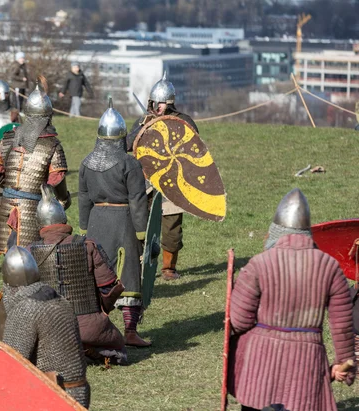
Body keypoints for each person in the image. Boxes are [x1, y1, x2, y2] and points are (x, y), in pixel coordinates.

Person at [227, 188, 355, 411]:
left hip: (260, 361)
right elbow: (342, 325)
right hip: (308, 360)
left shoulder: (259, 264)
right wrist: (344, 363)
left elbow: (238, 321)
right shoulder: (329, 266)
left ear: (276, 230)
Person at [28, 184, 127, 365]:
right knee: (116, 347)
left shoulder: (28, 253)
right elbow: (108, 286)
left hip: (47, 330)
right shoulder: (88, 245)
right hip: (91, 329)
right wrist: (104, 310)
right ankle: (88, 349)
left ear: (40, 223)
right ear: (63, 218)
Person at [79, 100, 150, 347]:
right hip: (124, 222)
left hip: (97, 224)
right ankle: (130, 332)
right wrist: (143, 232)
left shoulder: (87, 162)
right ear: (121, 135)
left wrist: (84, 229)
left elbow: (84, 198)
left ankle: (99, 330)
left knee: (99, 277)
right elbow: (138, 199)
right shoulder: (129, 163)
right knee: (129, 274)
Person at [126, 72, 199, 281]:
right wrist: (143, 128)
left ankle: (168, 267)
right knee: (141, 225)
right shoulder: (143, 120)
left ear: (170, 103)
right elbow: (127, 145)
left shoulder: (184, 121)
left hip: (172, 182)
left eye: (161, 104)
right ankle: (139, 264)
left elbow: (194, 150)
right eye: (154, 103)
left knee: (171, 228)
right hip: (146, 181)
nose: (157, 107)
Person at [0, 80, 70, 255]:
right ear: (48, 115)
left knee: (12, 249)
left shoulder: (9, 138)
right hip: (33, 207)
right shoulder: (52, 145)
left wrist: (7, 186)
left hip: (8, 203)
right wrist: (64, 199)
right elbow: (57, 180)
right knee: (31, 253)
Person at [1, 245, 90, 408]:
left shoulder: (26, 309)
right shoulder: (59, 300)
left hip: (52, 395)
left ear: (9, 286)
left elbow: (10, 366)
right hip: (79, 393)